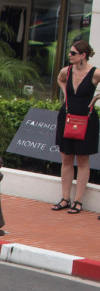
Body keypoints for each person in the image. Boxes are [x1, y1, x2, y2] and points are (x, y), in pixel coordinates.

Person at [53, 38, 100, 214]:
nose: (70, 56)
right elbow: (59, 79)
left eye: (73, 53)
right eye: (70, 52)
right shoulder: (67, 71)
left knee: (82, 160)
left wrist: (95, 99)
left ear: (83, 55)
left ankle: (78, 201)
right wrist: (65, 93)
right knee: (66, 158)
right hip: (66, 117)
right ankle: (65, 198)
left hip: (86, 119)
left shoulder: (95, 73)